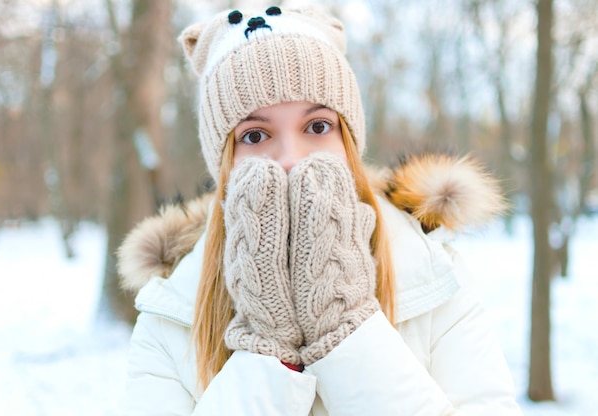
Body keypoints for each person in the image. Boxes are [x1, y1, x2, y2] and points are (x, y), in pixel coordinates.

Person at [117, 5, 523, 415]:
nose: (290, 158)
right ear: (224, 162)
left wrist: (344, 327)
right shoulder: (171, 309)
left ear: (348, 140)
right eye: (255, 135)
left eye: (317, 127)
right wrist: (268, 348)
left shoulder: (433, 274)